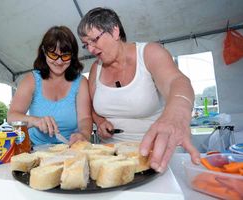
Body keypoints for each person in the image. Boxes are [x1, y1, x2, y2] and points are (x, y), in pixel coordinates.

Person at [77, 7, 200, 173]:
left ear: (114, 31)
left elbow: (177, 82)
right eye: (86, 45)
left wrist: (177, 113)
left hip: (157, 153)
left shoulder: (149, 53)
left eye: (94, 40)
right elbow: (93, 108)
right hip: (111, 158)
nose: (91, 50)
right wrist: (100, 122)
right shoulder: (95, 68)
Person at [7, 26, 92, 146]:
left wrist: (84, 134)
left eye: (65, 56)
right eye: (53, 55)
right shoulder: (31, 80)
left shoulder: (81, 82)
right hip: (35, 149)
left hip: (71, 149)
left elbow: (85, 118)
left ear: (73, 56)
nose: (59, 62)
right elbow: (11, 117)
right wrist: (34, 120)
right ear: (44, 52)